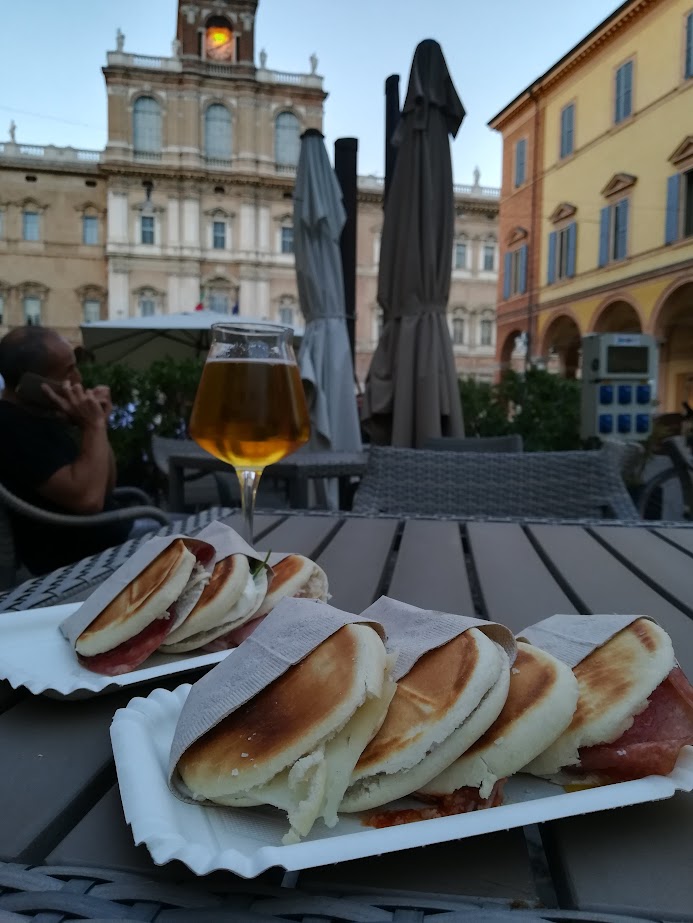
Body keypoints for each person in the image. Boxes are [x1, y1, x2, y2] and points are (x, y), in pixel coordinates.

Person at [0, 327, 132, 574]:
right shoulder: (10, 426)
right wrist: (93, 426)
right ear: (31, 383)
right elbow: (89, 501)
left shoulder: (43, 416)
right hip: (80, 560)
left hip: (110, 539)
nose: (79, 379)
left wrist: (97, 425)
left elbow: (106, 486)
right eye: (69, 371)